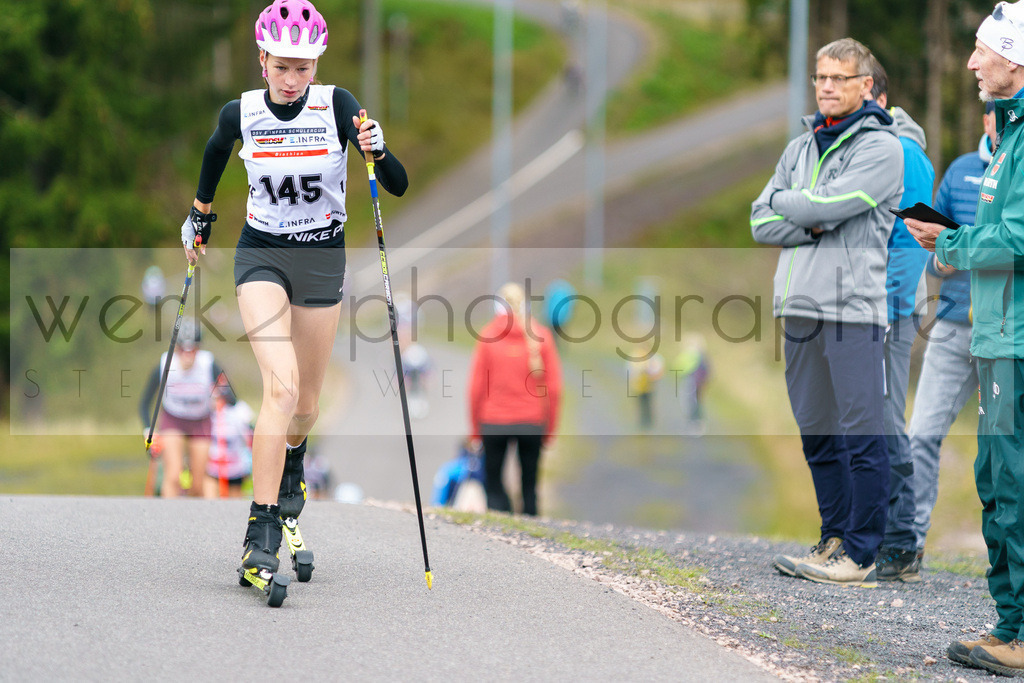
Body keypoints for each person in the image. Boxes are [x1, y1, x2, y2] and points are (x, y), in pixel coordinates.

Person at [180, 0, 408, 579]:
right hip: (262, 255)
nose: (291, 80)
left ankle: (291, 469)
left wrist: (377, 150)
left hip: (321, 262)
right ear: (262, 60)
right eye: (281, 66)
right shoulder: (243, 113)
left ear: (316, 65)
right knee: (279, 389)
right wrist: (200, 214)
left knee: (305, 404)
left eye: (303, 68)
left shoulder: (338, 107)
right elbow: (214, 152)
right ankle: (260, 534)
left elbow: (398, 184)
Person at [751, 37, 903, 586]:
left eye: (840, 79)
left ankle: (862, 553)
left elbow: (837, 205)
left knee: (862, 432)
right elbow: (759, 220)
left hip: (851, 309)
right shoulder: (800, 147)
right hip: (799, 308)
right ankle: (834, 537)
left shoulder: (882, 148)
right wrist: (812, 216)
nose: (828, 88)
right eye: (821, 78)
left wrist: (801, 208)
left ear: (866, 86)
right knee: (816, 431)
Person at [905, 2, 1024, 672]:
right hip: (997, 333)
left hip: (1015, 339)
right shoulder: (1009, 135)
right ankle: (1012, 624)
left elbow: (1016, 237)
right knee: (997, 477)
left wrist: (947, 240)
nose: (973, 62)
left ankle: (1019, 633)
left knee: (1011, 481)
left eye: (983, 50)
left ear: (1015, 58)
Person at [907, 102, 994, 569]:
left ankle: (1004, 562)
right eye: (994, 115)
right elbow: (931, 252)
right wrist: (943, 255)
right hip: (955, 325)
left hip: (1005, 331)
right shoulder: (960, 171)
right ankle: (909, 541)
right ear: (984, 119)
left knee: (1001, 448)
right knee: (919, 433)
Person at [867, 59, 937, 583]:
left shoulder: (905, 151)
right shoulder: (869, 149)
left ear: (878, 97)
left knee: (889, 419)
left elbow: (914, 239)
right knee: (869, 418)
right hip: (859, 307)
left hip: (888, 309)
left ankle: (903, 542)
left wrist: (885, 311)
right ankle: (874, 536)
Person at [468, 282, 562, 516]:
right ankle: (530, 535)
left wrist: (475, 430)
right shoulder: (542, 336)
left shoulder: (487, 335)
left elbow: (475, 388)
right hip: (532, 421)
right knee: (529, 486)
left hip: (493, 421)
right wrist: (549, 429)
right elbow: (555, 389)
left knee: (493, 482)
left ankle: (501, 528)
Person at [139, 319, 231, 498]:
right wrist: (147, 429)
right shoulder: (165, 363)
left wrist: (220, 394)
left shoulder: (208, 363)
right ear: (177, 348)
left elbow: (231, 397)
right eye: (183, 350)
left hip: (201, 421)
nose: (188, 355)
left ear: (199, 348)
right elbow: (144, 403)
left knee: (197, 484)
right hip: (173, 420)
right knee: (173, 475)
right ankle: (167, 518)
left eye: (193, 350)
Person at [207, 382, 255, 498]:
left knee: (234, 501)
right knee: (209, 500)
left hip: (235, 466)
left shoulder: (238, 411)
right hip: (212, 465)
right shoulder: (206, 413)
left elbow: (249, 436)